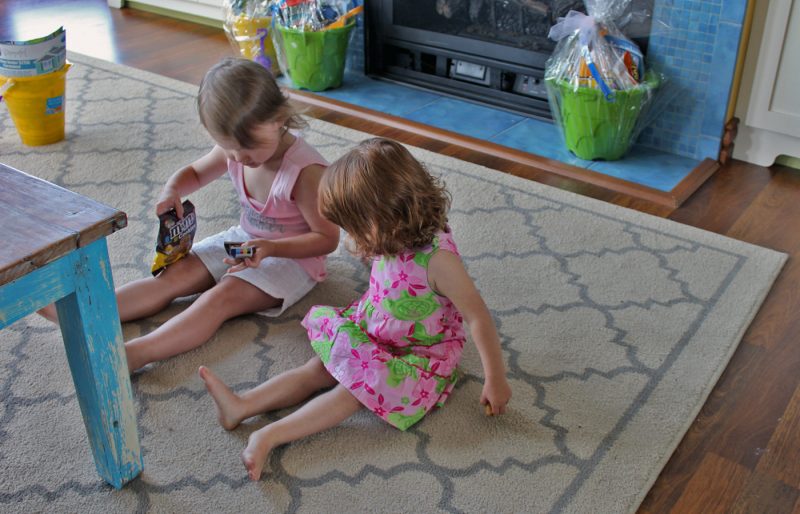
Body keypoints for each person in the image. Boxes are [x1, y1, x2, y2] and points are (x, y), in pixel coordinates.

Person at [199, 137, 512, 481]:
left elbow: (478, 317)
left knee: (350, 392)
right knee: (317, 367)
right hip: (375, 326)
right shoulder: (393, 235)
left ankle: (269, 436)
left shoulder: (440, 262)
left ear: (387, 219)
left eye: (356, 227)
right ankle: (243, 405)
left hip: (416, 353)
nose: (352, 236)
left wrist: (495, 379)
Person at [40, 57, 340, 372]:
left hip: (291, 258)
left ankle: (134, 355)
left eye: (248, 146)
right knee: (175, 276)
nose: (239, 158)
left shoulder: (306, 172)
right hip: (244, 240)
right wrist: (173, 190)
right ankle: (88, 313)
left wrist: (271, 249)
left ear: (279, 118)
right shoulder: (236, 151)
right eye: (229, 148)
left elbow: (327, 239)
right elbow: (195, 173)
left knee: (222, 297)